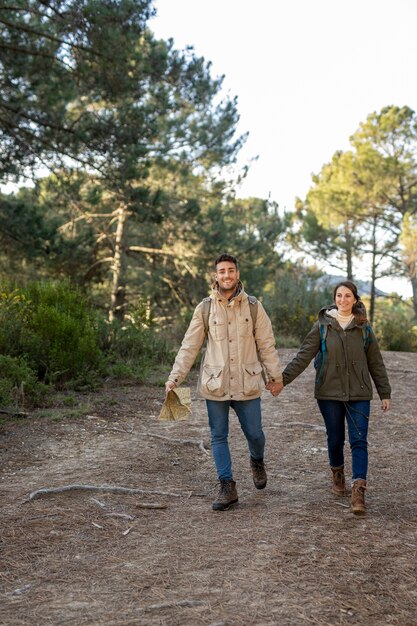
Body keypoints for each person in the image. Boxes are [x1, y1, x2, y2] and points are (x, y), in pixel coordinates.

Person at [165, 253, 283, 511]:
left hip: (247, 383)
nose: (226, 275)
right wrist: (175, 377)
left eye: (231, 270)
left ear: (237, 274)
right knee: (218, 435)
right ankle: (227, 485)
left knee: (255, 434)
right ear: (215, 276)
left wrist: (275, 377)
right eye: (222, 271)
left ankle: (257, 460)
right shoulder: (205, 308)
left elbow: (266, 345)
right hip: (215, 384)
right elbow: (190, 346)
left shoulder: (253, 306)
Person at [279, 280, 391, 516]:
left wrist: (384, 392)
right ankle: (337, 473)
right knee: (335, 437)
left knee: (359, 440)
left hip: (359, 392)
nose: (343, 300)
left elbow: (376, 362)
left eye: (348, 296)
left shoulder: (364, 328)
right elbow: (303, 356)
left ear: (355, 299)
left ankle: (358, 490)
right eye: (339, 296)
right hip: (328, 392)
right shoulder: (322, 326)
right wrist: (282, 380)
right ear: (334, 298)